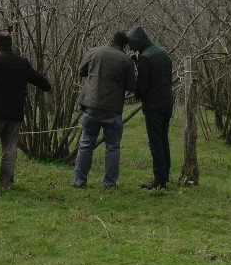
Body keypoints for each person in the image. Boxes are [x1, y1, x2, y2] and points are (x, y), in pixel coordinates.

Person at [0, 30, 51, 194]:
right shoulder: (21, 62)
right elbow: (38, 79)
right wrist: (47, 86)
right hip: (14, 113)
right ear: (11, 45)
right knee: (9, 149)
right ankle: (6, 184)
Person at [72, 31, 136, 189]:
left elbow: (81, 72)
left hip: (91, 105)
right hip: (113, 108)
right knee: (112, 147)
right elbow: (132, 86)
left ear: (110, 39)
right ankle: (109, 183)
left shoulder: (94, 52)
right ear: (124, 45)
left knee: (86, 144)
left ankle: (79, 182)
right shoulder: (126, 60)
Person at [127, 24, 174, 189]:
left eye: (131, 44)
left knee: (155, 142)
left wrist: (137, 94)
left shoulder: (145, 58)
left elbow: (142, 87)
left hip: (154, 105)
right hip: (167, 102)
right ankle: (165, 174)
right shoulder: (162, 52)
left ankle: (159, 180)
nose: (130, 47)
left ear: (137, 42)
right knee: (163, 138)